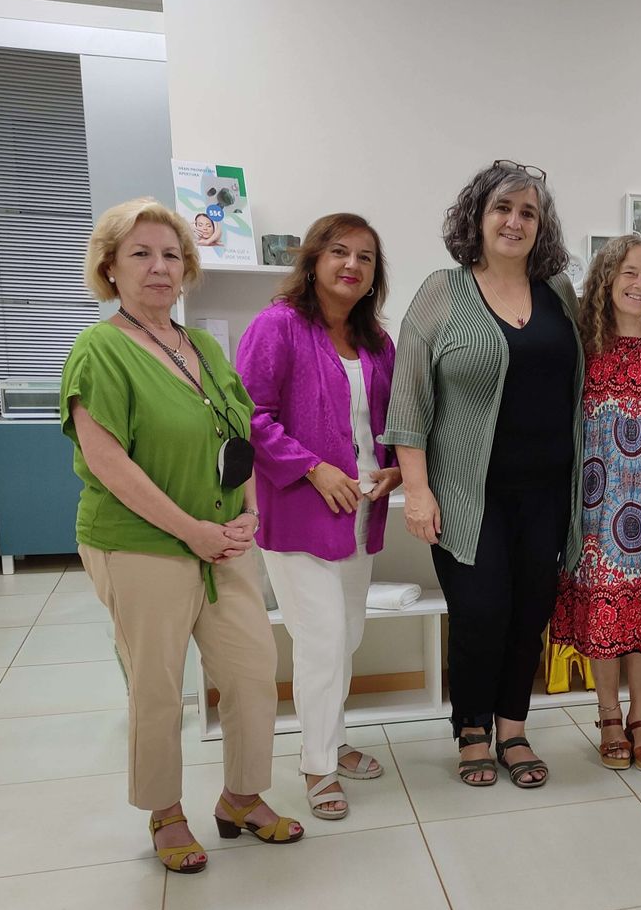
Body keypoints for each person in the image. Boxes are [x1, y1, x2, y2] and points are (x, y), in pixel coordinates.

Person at [61, 197, 302, 873]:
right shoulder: (99, 349)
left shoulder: (200, 347)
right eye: (140, 254)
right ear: (109, 267)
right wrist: (191, 530)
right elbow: (108, 463)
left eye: (171, 254)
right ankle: (166, 812)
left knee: (253, 670)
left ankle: (242, 796)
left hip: (220, 539)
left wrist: (248, 513)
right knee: (158, 684)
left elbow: (240, 432)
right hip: (138, 543)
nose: (158, 267)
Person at [385, 160, 584, 789]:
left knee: (530, 609)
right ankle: (472, 727)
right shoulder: (442, 291)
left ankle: (513, 726)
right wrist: (416, 490)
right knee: (480, 609)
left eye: (528, 212)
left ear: (541, 225)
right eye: (503, 208)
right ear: (478, 215)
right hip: (469, 495)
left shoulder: (559, 294)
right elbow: (409, 398)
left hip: (547, 490)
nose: (514, 221)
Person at [237, 213, 400, 820]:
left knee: (347, 637)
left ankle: (330, 738)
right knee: (323, 639)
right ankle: (317, 766)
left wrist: (396, 469)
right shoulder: (277, 326)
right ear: (313, 261)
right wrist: (311, 468)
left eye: (365, 256)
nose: (351, 265)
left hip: (361, 510)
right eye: (339, 251)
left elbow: (394, 421)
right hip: (301, 512)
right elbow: (249, 414)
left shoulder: (377, 343)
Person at [549, 235, 641, 773]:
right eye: (630, 273)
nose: (640, 285)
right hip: (597, 500)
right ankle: (608, 716)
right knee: (604, 604)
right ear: (607, 277)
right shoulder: (583, 341)